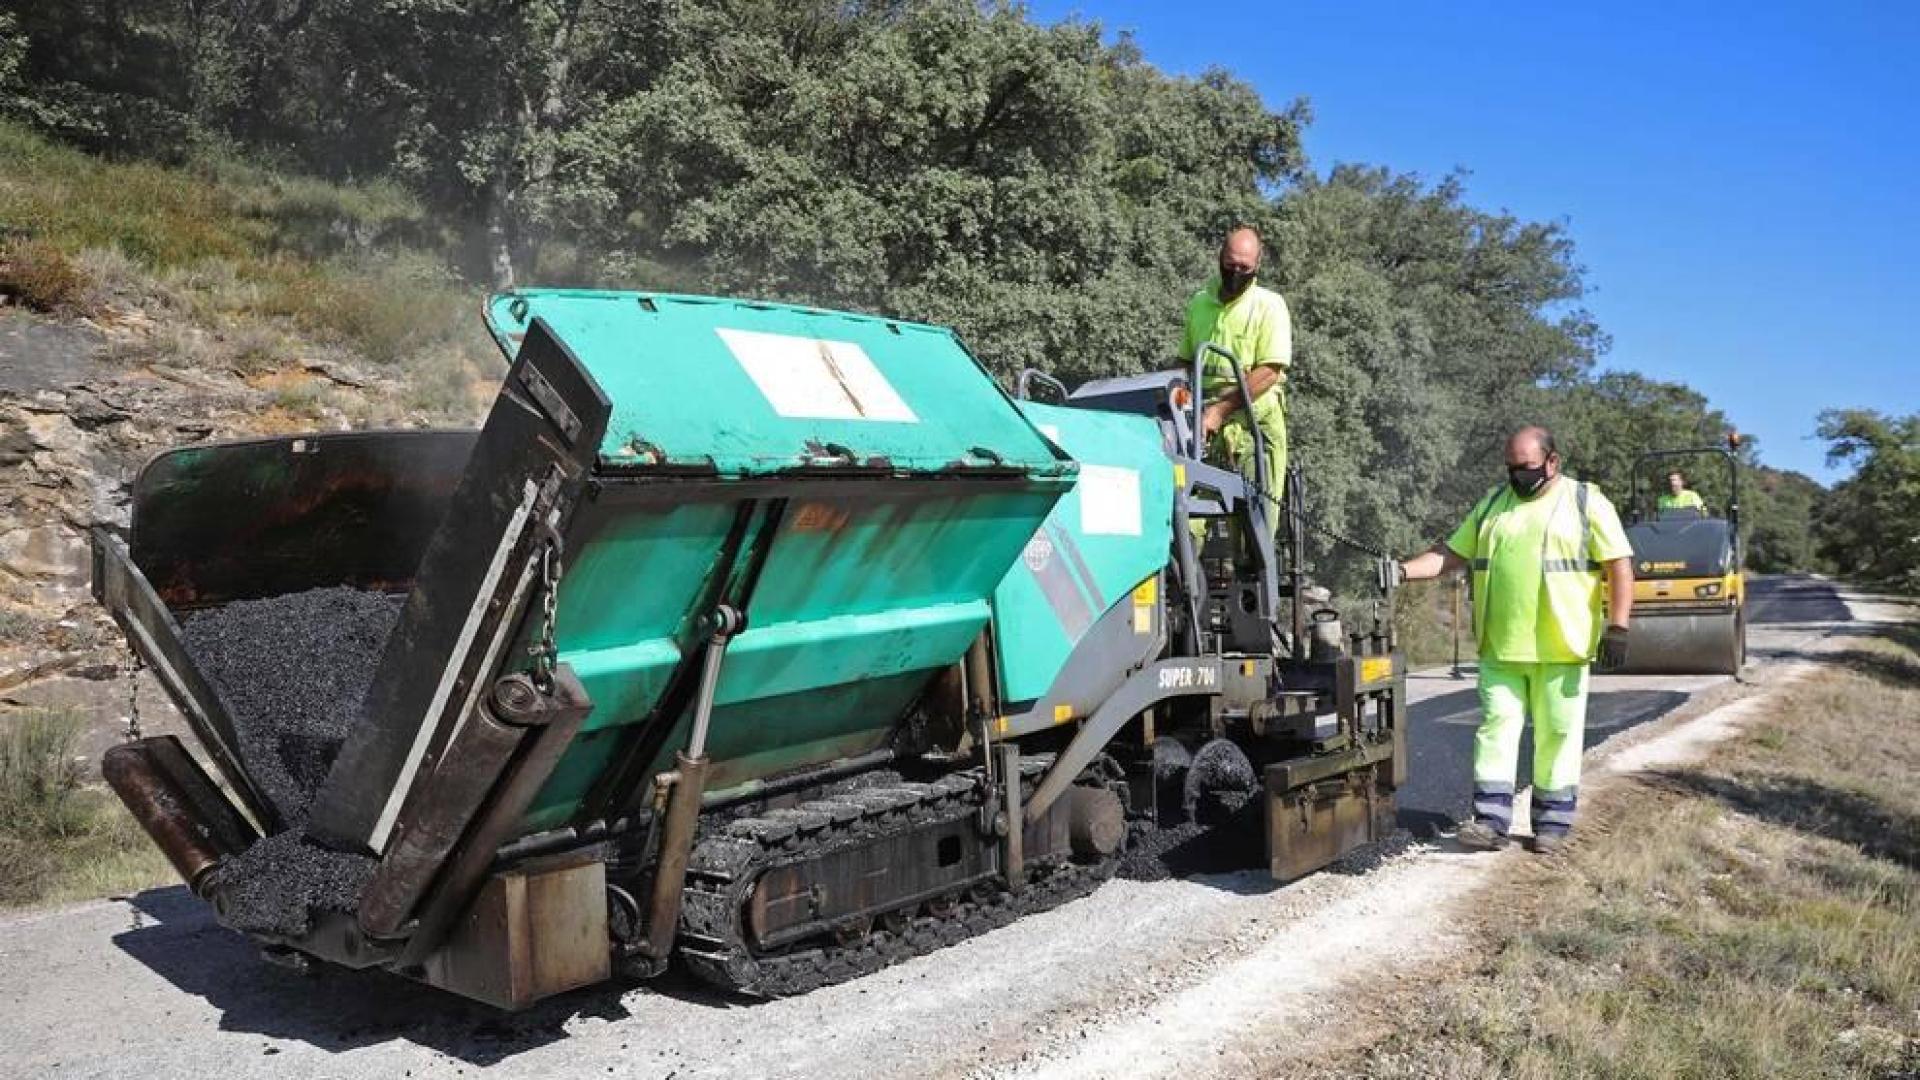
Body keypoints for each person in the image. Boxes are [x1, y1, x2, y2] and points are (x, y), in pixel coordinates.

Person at [1397, 426, 1635, 853]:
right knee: (1496, 730)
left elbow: (1619, 564)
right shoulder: (1493, 505)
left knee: (1558, 734)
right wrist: (1400, 571)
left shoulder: (1585, 502)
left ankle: (1552, 825)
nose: (1517, 477)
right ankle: (1490, 822)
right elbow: (1452, 554)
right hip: (1502, 647)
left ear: (1552, 462)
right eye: (1511, 469)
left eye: (1526, 468)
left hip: (1563, 648)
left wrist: (1618, 627)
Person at [1179, 227, 1292, 530]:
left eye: (1244, 267)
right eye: (1230, 265)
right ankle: (1184, 575)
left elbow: (1270, 371)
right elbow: (1184, 362)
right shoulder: (1200, 303)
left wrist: (1219, 410)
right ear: (1220, 258)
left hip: (1254, 429)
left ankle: (1253, 573)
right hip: (1203, 426)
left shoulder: (1269, 305)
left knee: (1254, 525)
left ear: (1258, 264)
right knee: (1185, 517)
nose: (1236, 273)